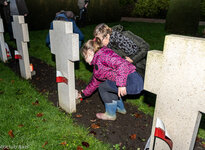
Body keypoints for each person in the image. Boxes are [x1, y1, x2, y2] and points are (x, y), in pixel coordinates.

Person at [77, 37, 144, 121]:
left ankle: (110, 114)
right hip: (128, 80)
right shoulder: (98, 62)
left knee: (102, 86)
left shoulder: (104, 55)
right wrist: (83, 94)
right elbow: (94, 82)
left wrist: (121, 85)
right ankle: (120, 108)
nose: (85, 60)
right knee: (107, 85)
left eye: (85, 56)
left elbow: (122, 65)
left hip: (133, 80)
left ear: (90, 52)